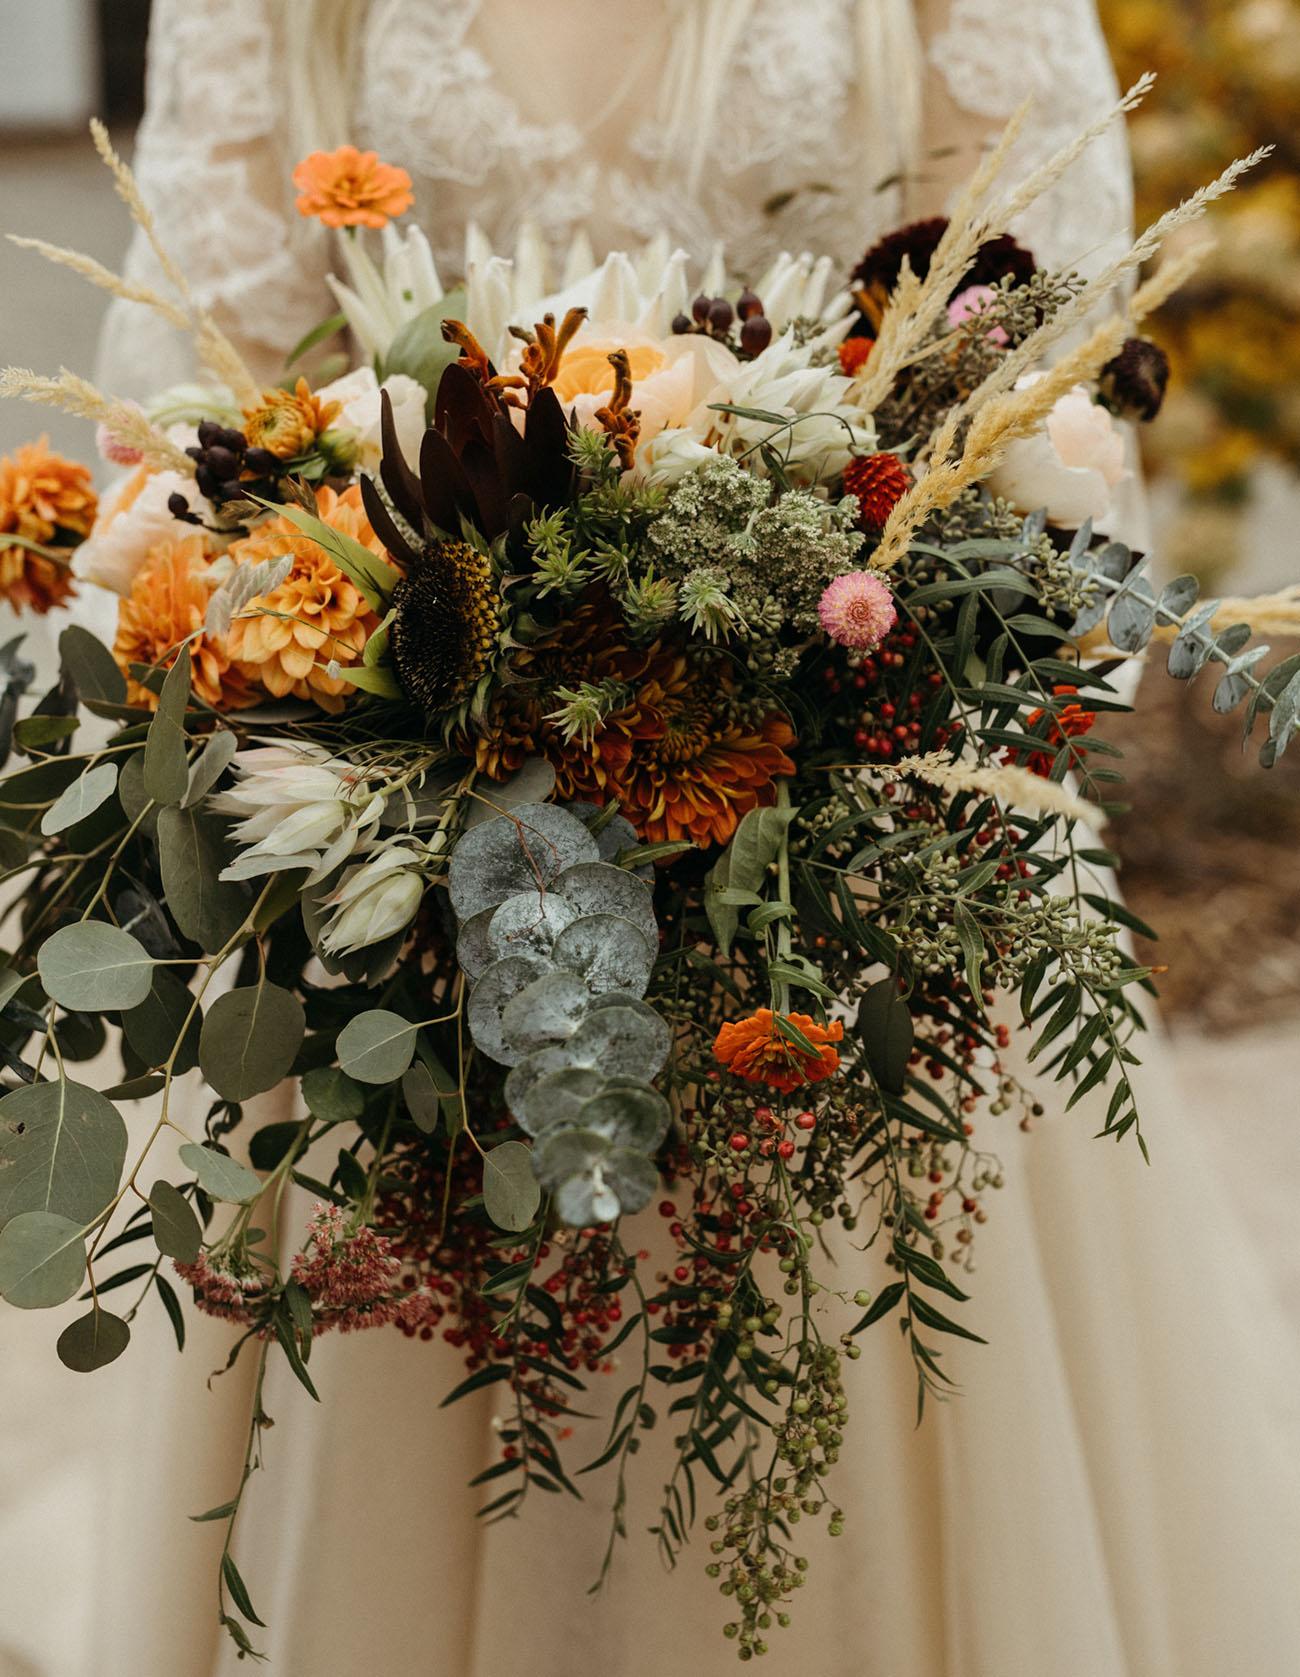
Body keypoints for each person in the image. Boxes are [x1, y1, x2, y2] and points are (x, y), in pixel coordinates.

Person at [15, 3, 1296, 1674]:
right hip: (413, 801)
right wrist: (367, 661)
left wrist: (833, 652)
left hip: (856, 802)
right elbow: (206, 398)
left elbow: (1044, 352)